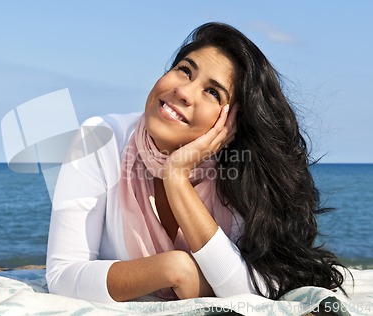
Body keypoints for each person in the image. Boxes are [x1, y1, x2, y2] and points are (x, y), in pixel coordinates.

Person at [45, 22, 348, 303]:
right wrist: (173, 268)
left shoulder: (242, 175)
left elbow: (257, 292)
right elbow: (62, 275)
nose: (183, 91)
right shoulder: (100, 139)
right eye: (184, 70)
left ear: (233, 122)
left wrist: (176, 178)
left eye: (212, 92)